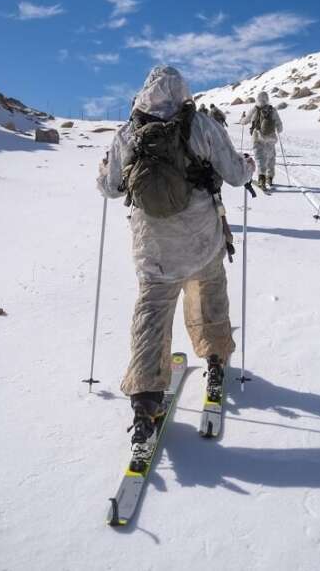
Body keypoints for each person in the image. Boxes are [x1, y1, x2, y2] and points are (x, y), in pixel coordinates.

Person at [97, 65, 255, 467]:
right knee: (209, 297)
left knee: (151, 316)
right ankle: (215, 361)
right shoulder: (201, 125)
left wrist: (104, 170)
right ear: (184, 91)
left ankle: (145, 404)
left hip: (154, 248)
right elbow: (236, 174)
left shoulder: (129, 132)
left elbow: (110, 188)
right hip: (202, 239)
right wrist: (250, 166)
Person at [247, 91, 283, 191]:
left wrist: (242, 120)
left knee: (260, 159)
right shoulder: (272, 110)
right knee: (271, 158)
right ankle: (269, 178)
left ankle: (261, 179)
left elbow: (246, 120)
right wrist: (277, 130)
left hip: (257, 138)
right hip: (271, 138)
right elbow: (280, 126)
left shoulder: (255, 109)